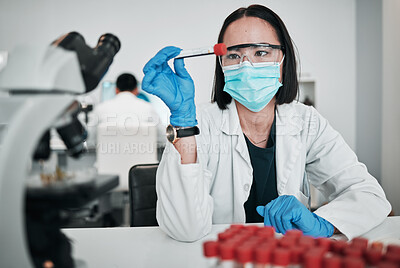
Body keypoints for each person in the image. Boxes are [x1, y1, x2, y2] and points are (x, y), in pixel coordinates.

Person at [142, 5, 391, 242]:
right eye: (234, 55)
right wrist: (183, 124)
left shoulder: (307, 122)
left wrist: (323, 223)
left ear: (283, 58)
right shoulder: (200, 124)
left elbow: (370, 195)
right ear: (222, 63)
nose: (247, 66)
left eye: (261, 52)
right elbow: (185, 229)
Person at [89, 73, 164, 146]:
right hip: (143, 157)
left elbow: (90, 139)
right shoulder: (148, 108)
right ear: (136, 90)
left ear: (116, 90)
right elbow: (162, 138)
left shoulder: (100, 108)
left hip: (107, 157)